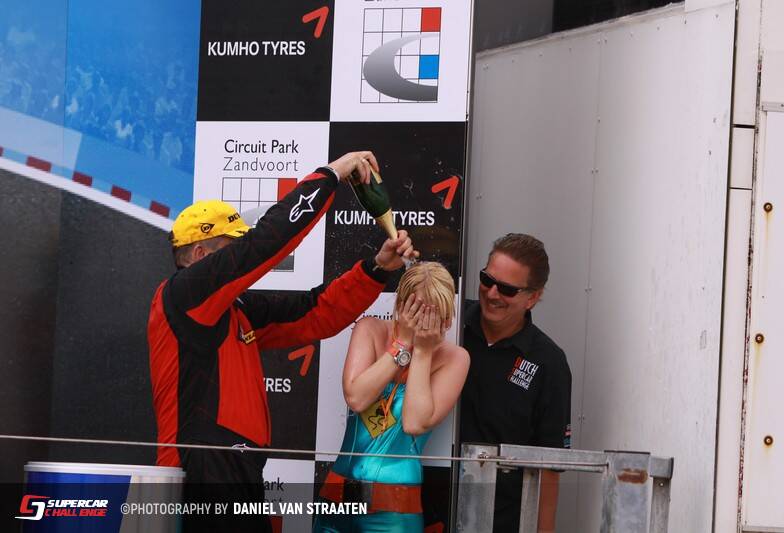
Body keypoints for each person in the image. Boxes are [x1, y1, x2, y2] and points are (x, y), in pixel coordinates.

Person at [147, 151, 418, 532]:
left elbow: (316, 313)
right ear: (199, 254)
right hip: (200, 469)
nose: (240, 258)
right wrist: (331, 174)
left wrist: (377, 269)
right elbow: (265, 243)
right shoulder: (183, 294)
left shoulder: (235, 308)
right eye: (230, 248)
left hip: (238, 468)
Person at [315, 262, 470, 533]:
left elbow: (414, 423)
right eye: (417, 312)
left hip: (396, 505)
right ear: (400, 305)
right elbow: (356, 398)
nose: (425, 323)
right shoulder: (371, 330)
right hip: (339, 496)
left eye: (435, 315)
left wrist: (422, 353)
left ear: (447, 317)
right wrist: (401, 346)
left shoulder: (455, 358)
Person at [459, 233, 572, 533]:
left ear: (532, 298)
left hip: (501, 522)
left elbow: (550, 465)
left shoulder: (549, 362)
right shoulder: (450, 322)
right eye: (487, 280)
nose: (492, 293)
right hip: (425, 514)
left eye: (507, 289)